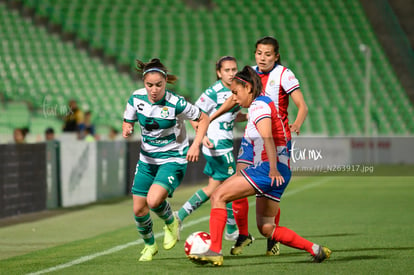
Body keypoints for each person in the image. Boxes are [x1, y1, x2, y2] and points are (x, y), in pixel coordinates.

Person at [188, 66, 330, 266]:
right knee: (266, 227)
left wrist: (271, 168)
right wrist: (210, 119)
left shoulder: (259, 106)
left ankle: (214, 251)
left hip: (268, 169)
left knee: (218, 195)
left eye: (236, 93)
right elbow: (232, 104)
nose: (235, 98)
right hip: (281, 171)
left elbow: (267, 137)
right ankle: (315, 249)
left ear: (248, 88)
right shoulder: (261, 102)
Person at [209, 36, 309, 256]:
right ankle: (243, 234)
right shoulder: (250, 73)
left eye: (268, 54)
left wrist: (297, 124)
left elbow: (302, 105)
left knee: (269, 183)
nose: (262, 58)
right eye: (259, 53)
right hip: (251, 138)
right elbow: (235, 98)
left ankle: (271, 238)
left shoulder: (284, 74)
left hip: (274, 137)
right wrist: (212, 116)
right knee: (238, 180)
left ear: (276, 56)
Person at [122, 58, 209, 262]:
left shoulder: (176, 102)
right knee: (138, 208)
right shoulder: (136, 98)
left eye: (158, 85)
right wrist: (127, 127)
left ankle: (172, 222)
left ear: (165, 83)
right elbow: (128, 119)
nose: (154, 90)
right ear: (144, 83)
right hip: (147, 160)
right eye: (149, 85)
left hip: (173, 158)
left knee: (153, 201)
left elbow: (202, 118)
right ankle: (150, 246)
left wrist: (196, 144)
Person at [174, 56, 247, 241]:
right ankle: (231, 229)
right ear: (218, 73)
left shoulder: (235, 89)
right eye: (227, 70)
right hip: (218, 145)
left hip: (222, 144)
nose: (231, 74)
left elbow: (230, 116)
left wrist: (248, 117)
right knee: (231, 185)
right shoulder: (214, 92)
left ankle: (179, 216)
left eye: (233, 70)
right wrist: (202, 136)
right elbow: (192, 113)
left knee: (213, 188)